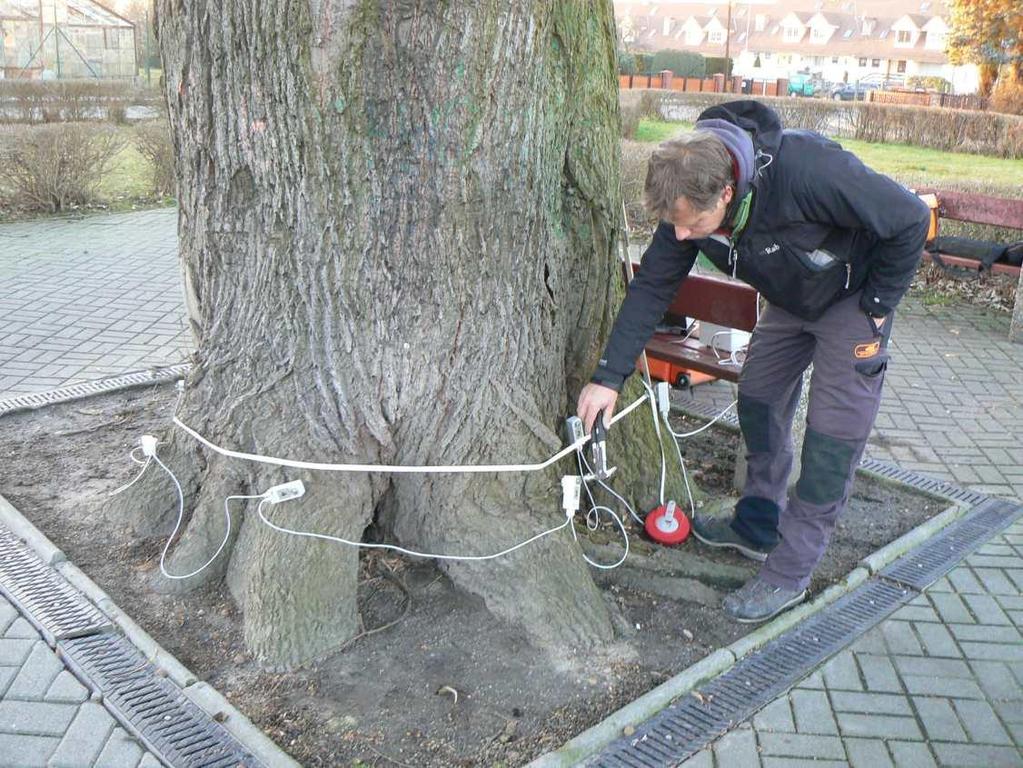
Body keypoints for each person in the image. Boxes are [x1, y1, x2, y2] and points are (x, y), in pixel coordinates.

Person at [577, 100, 929, 623]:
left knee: (832, 439)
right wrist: (608, 377)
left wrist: (878, 307)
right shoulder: (687, 199)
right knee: (759, 399)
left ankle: (790, 570)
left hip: (854, 303)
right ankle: (758, 520)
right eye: (674, 225)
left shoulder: (807, 170)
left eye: (694, 224)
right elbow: (652, 287)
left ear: (726, 193)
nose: (681, 236)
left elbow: (911, 218)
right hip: (790, 304)